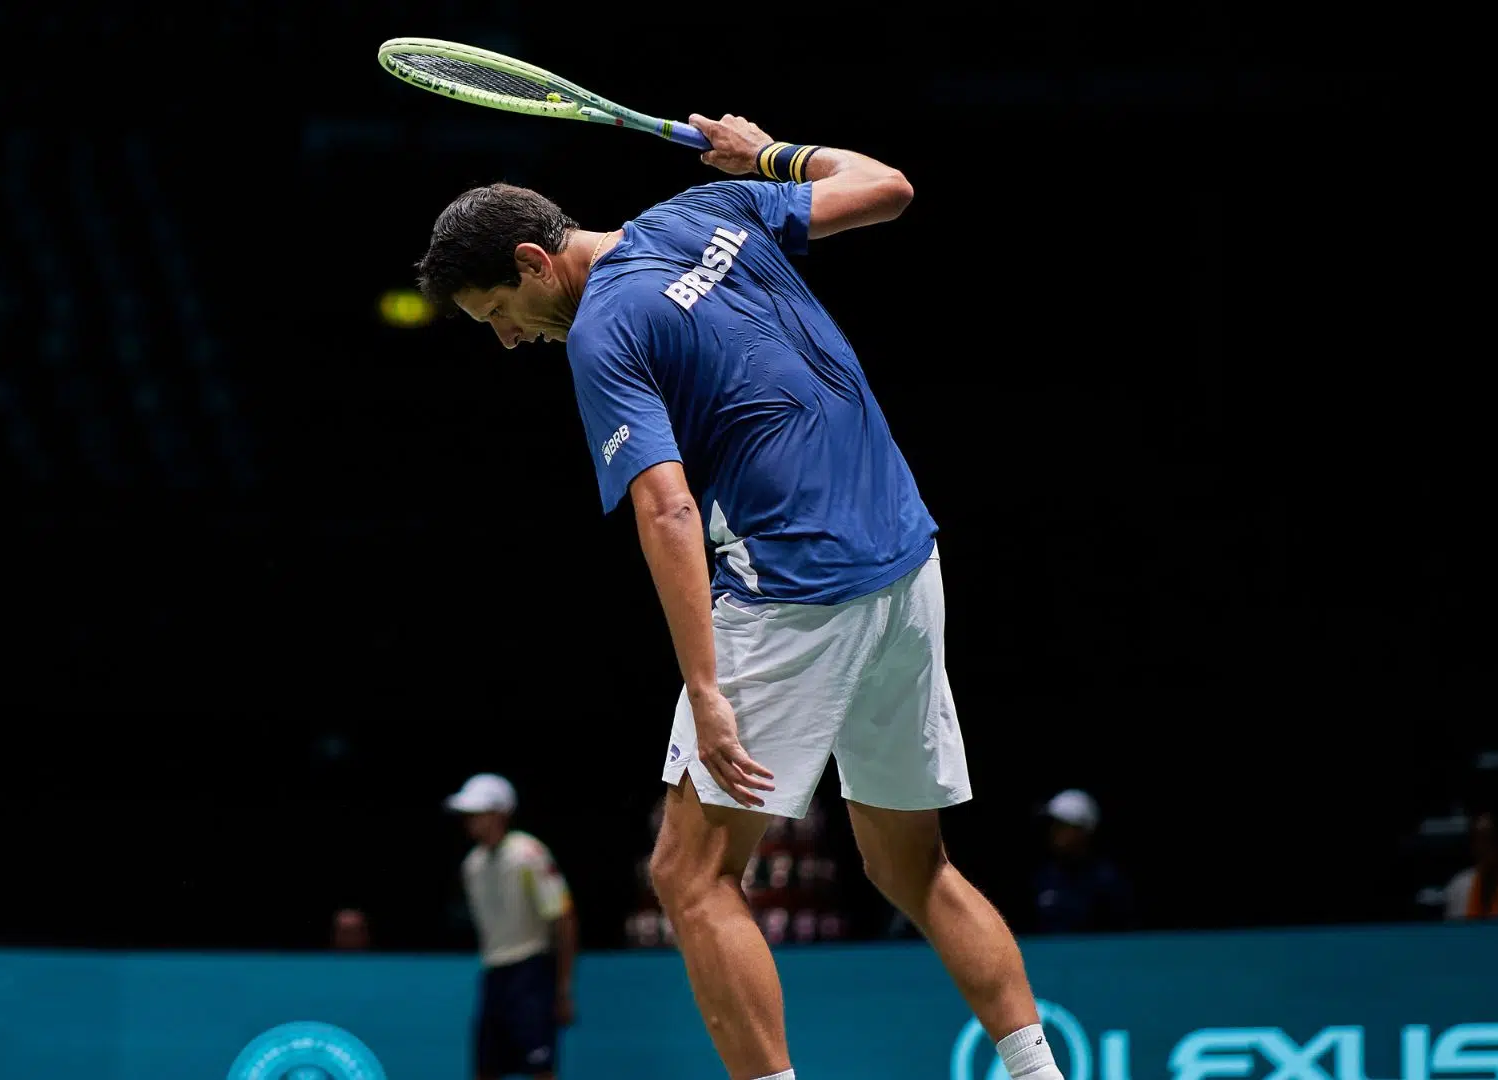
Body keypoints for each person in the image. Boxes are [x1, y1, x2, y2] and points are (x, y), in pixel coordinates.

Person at [414, 114, 1064, 1080]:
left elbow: (668, 511)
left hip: (797, 591)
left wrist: (707, 687)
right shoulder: (707, 208)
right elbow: (888, 186)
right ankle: (1038, 1072)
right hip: (905, 558)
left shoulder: (602, 331)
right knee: (908, 865)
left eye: (498, 313)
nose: (509, 341)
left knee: (690, 875)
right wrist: (768, 154)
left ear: (533, 260)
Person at [445, 773, 579, 1080]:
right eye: (468, 814)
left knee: (541, 1069)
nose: (470, 820)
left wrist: (562, 988)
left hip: (532, 973)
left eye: (478, 813)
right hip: (494, 974)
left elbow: (564, 918)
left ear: (501, 813)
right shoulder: (471, 866)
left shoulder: (528, 854)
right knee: (486, 1069)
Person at [1030, 789, 1136, 933]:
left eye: (1063, 825)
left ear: (1083, 830)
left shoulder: (1108, 881)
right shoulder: (1043, 878)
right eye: (1054, 825)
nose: (1055, 832)